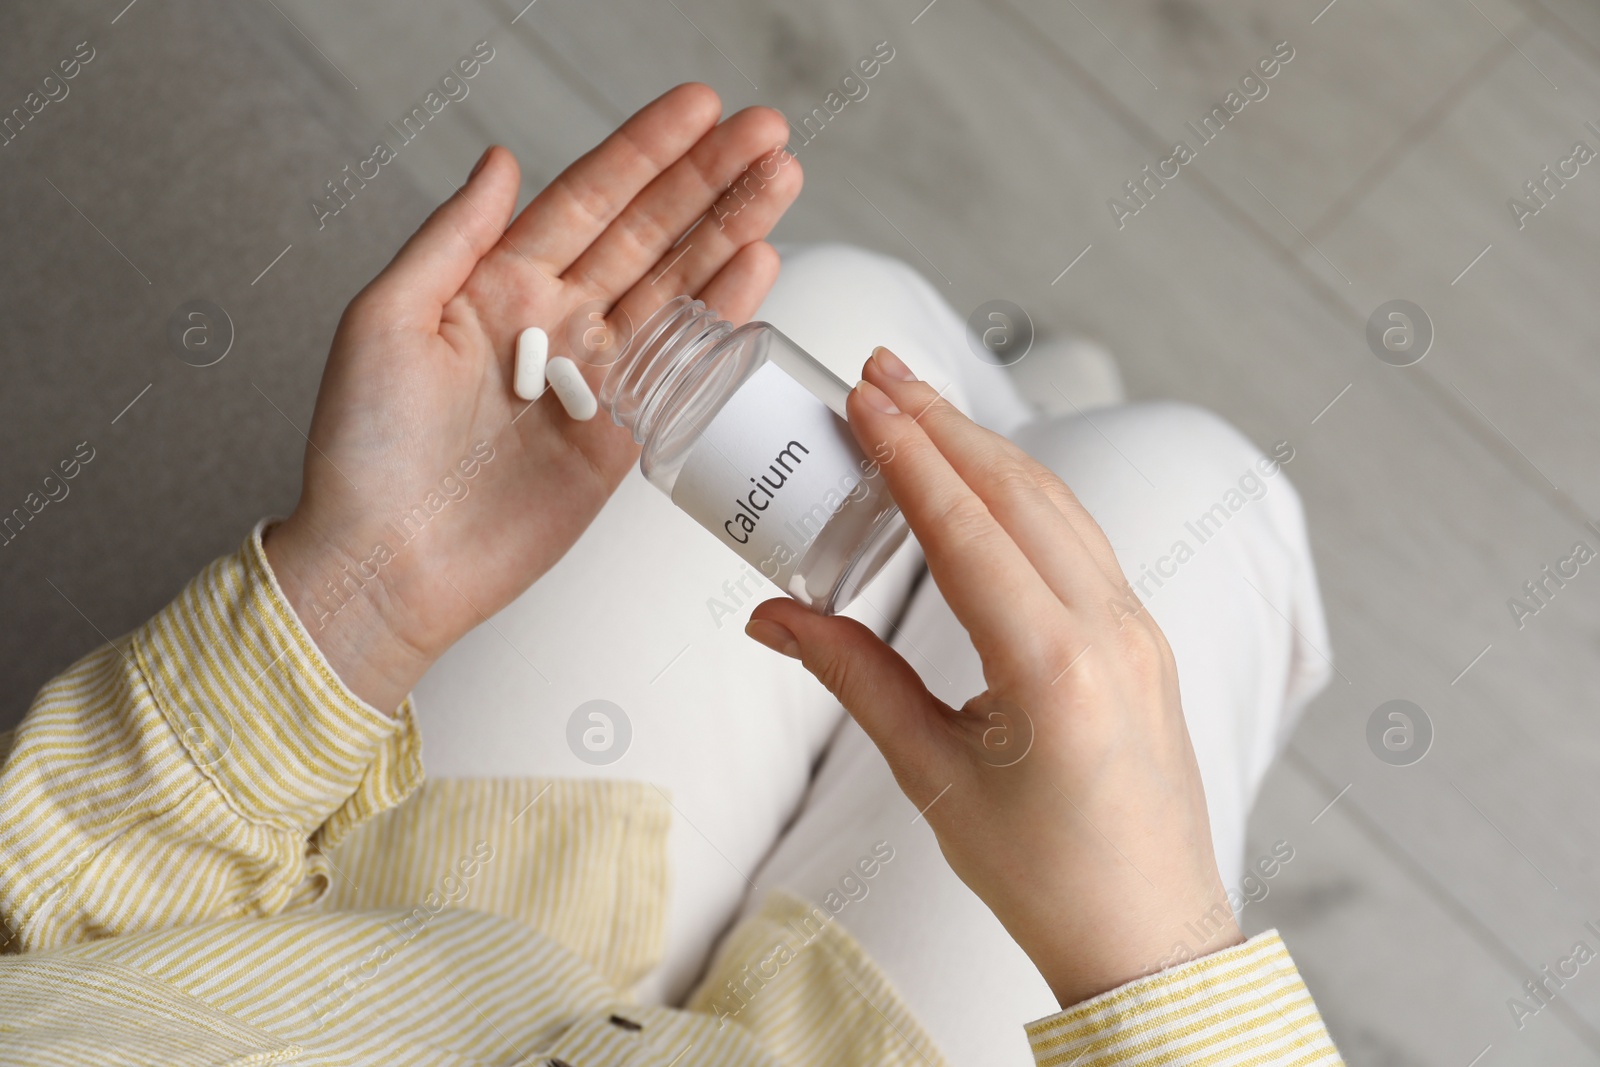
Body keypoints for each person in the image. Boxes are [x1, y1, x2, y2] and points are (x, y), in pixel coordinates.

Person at [0, 83, 1343, 1065]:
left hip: (429, 970)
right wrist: (1155, 952)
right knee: (1193, 493)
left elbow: (46, 944)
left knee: (832, 308)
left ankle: (1038, 405)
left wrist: (360, 591)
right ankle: (1067, 417)